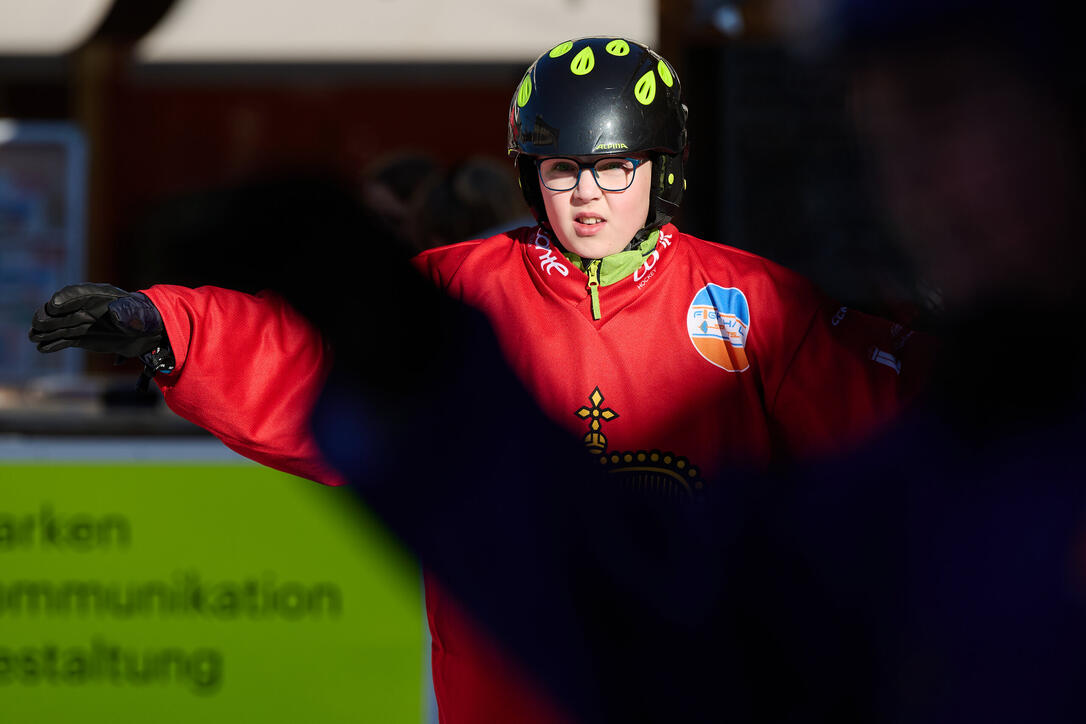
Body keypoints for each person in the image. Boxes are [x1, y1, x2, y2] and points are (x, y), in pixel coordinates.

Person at [30, 36, 933, 723]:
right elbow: (309, 365)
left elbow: (909, 421)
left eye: (614, 167)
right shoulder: (458, 289)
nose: (587, 194)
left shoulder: (752, 302)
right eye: (562, 170)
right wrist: (170, 329)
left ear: (661, 172)